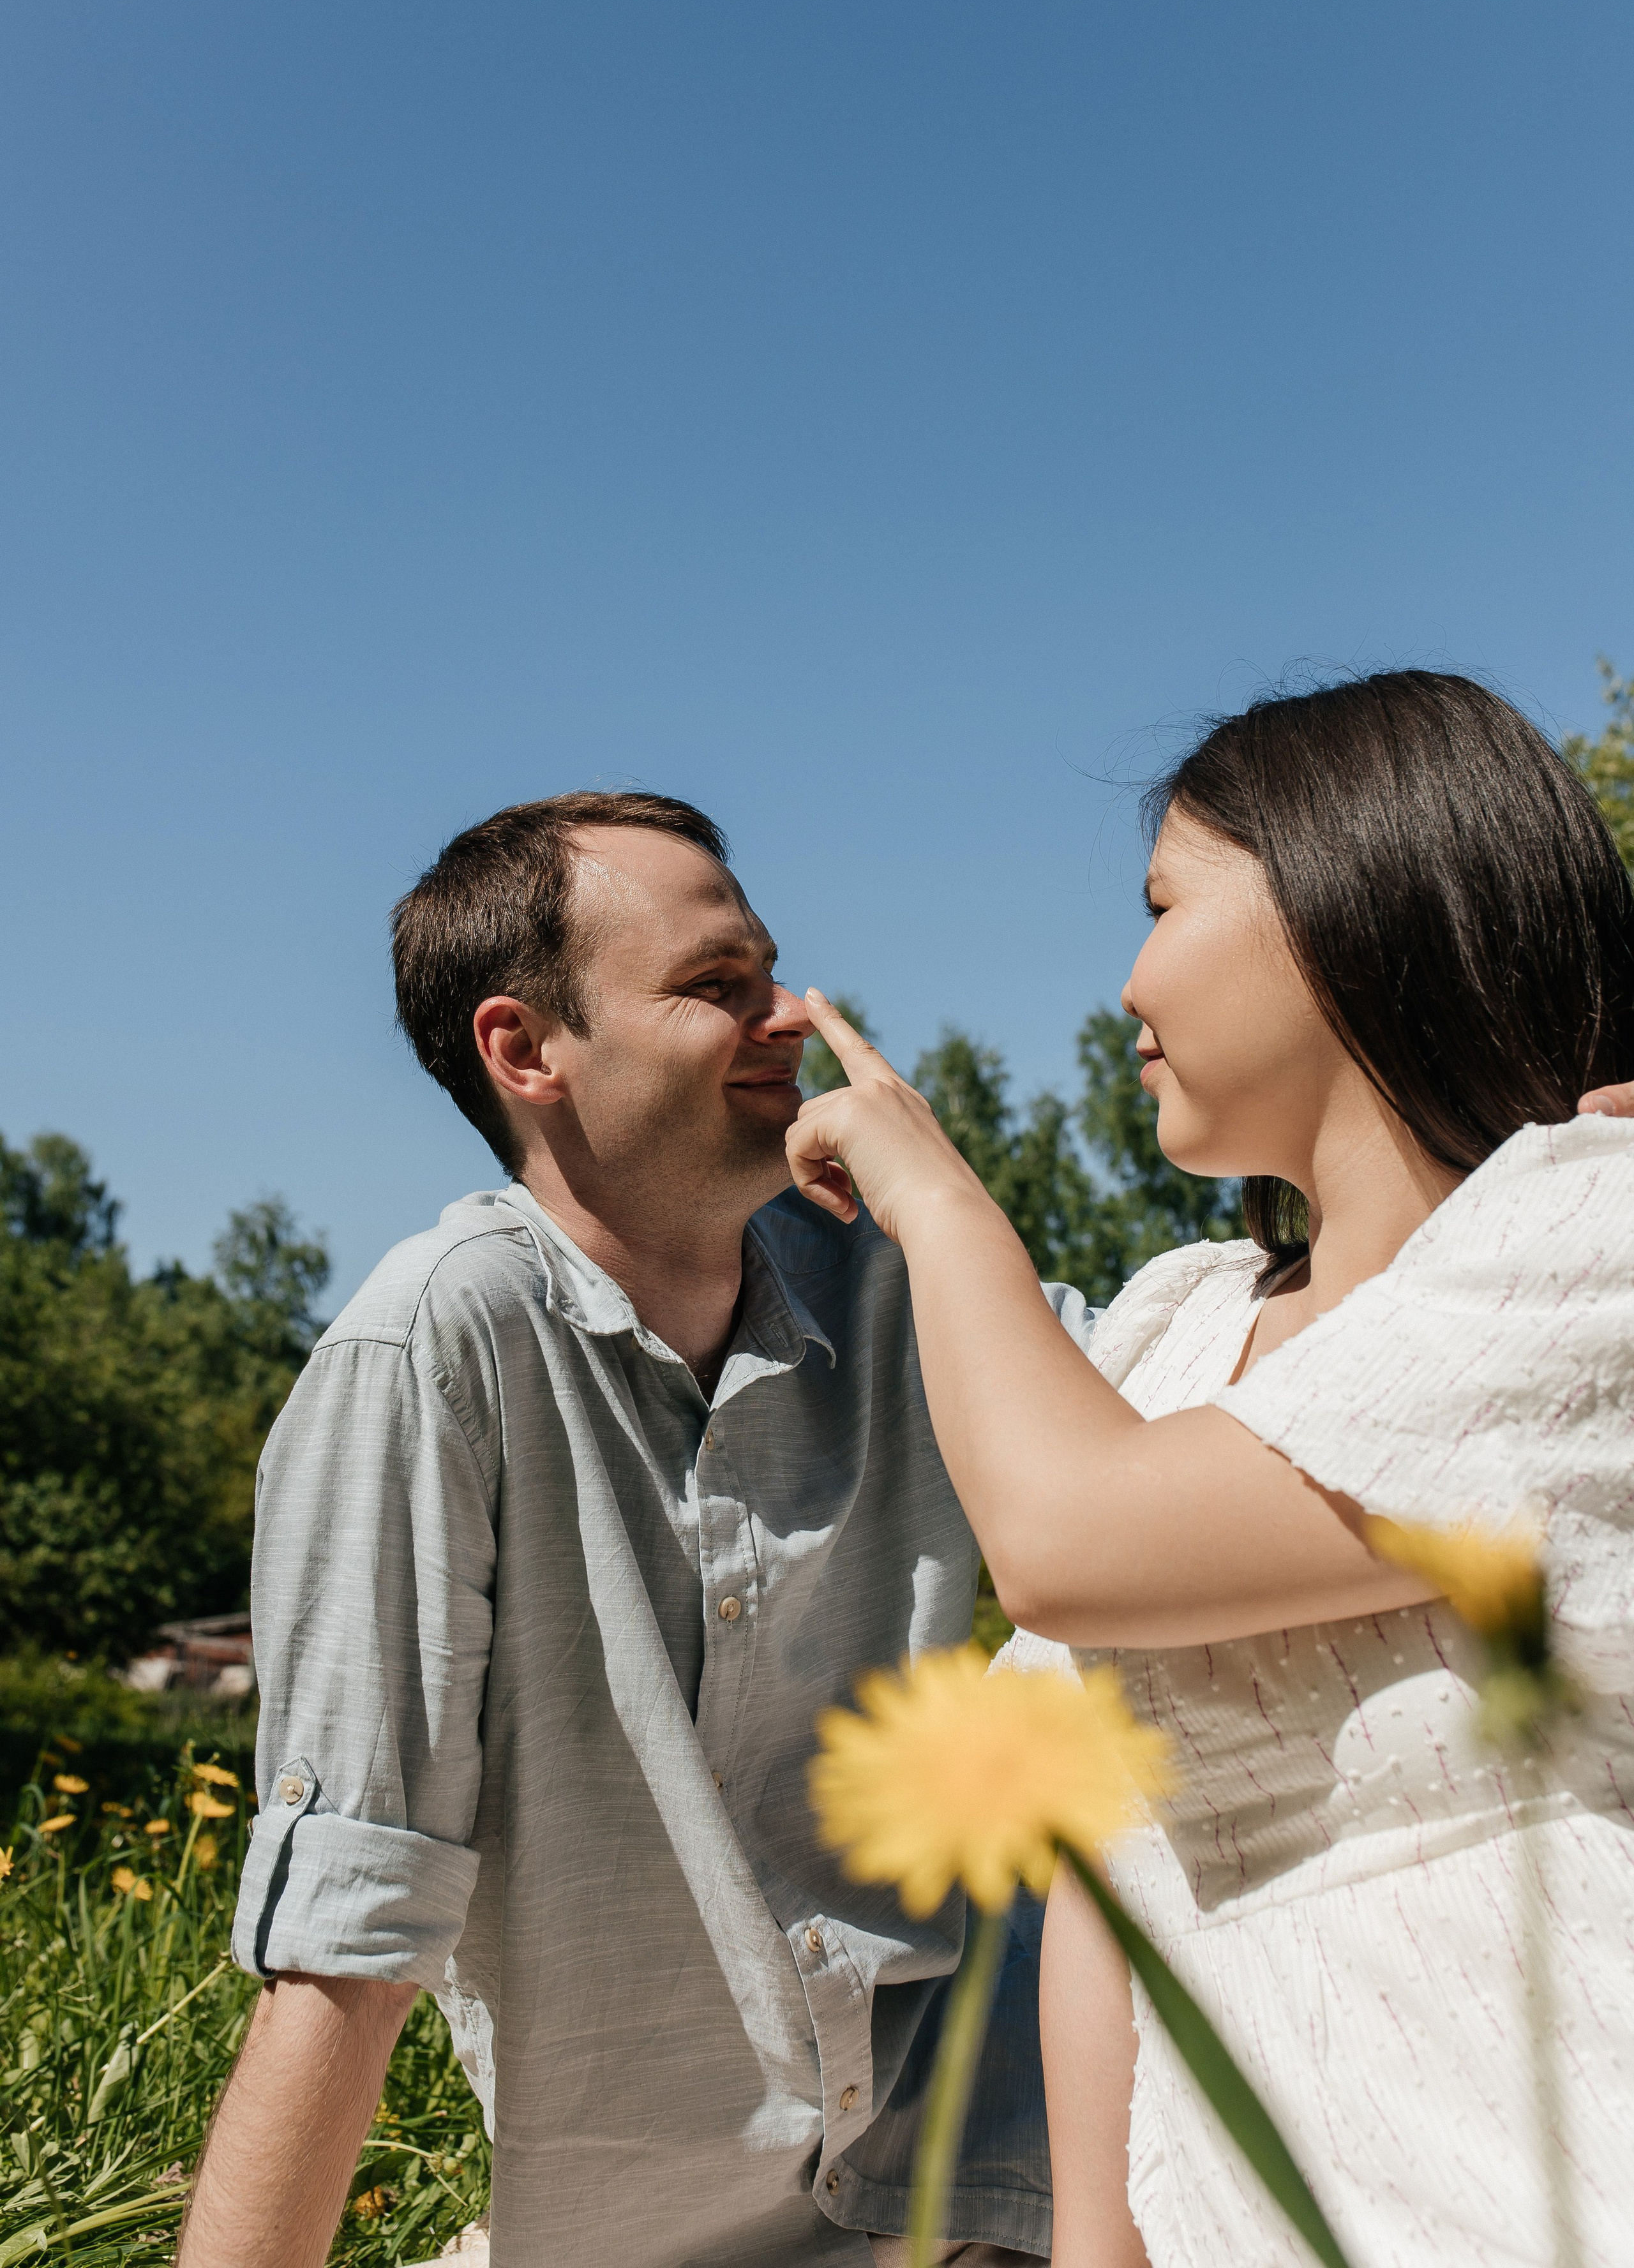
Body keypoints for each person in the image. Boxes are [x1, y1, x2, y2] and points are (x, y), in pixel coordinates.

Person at [784, 671, 1634, 2268]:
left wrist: (937, 1199)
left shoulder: (1592, 1227)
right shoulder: (1176, 1330)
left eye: (1163, 904)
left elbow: (1064, 1540)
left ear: (1339, 899)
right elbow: (1111, 1857)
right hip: (1244, 2205)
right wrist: (1101, 2241)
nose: (1123, 984)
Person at [178, 791, 1061, 2268]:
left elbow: (1205, 1392)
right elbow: (347, 1921)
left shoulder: (897, 1281)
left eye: (769, 972)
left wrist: (1518, 1179)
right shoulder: (435, 1349)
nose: (787, 1016)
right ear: (527, 1051)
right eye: (718, 987)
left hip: (992, 2211)